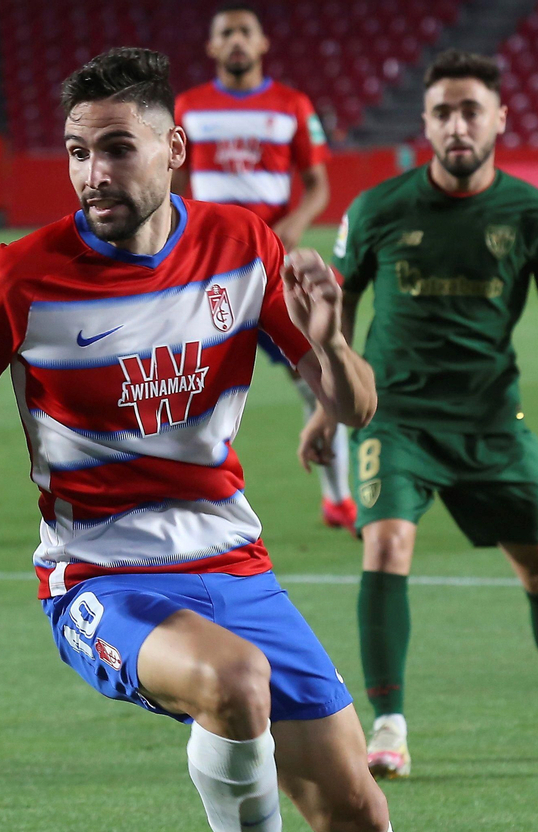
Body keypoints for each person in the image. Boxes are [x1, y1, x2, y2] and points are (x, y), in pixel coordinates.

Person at [0, 48, 478, 832]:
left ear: (174, 147)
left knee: (358, 810)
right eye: (77, 153)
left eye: (116, 148)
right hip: (98, 577)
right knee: (232, 683)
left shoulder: (244, 247)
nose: (92, 173)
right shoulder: (18, 277)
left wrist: (329, 344)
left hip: (231, 563)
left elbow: (355, 407)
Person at [305, 50, 538, 777]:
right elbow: (342, 304)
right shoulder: (377, 210)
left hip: (493, 422)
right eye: (444, 112)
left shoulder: (533, 217)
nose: (458, 124)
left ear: (499, 119)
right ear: (425, 123)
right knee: (387, 543)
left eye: (471, 110)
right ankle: (387, 727)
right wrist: (332, 401)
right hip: (394, 417)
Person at [174, 4, 354, 534]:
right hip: (205, 271)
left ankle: (338, 497)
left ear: (261, 44)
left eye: (244, 32)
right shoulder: (189, 106)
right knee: (184, 387)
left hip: (270, 267)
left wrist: (294, 224)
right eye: (225, 33)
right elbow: (175, 185)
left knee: (319, 380)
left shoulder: (291, 105)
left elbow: (317, 183)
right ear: (212, 47)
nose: (235, 41)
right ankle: (186, 501)